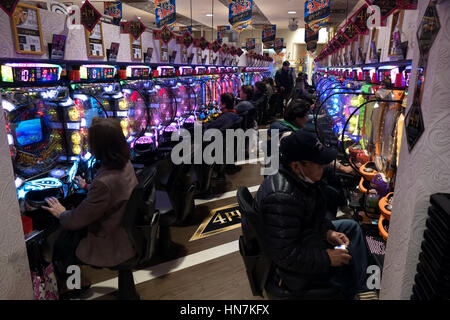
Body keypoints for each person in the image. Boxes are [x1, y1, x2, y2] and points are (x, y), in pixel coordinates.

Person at [254, 130, 377, 299]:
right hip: (292, 267)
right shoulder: (281, 198)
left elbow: (313, 216)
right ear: (297, 166)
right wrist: (327, 258)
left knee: (351, 227)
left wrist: (328, 232)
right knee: (343, 272)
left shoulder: (301, 180)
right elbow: (285, 255)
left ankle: (363, 289)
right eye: (319, 165)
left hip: (306, 236)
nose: (323, 168)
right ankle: (349, 289)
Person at [42, 117, 138, 295]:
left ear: (99, 147)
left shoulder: (104, 183)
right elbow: (112, 195)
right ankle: (76, 282)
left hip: (111, 239)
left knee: (63, 243)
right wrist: (87, 187)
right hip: (125, 230)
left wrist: (61, 212)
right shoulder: (125, 163)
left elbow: (76, 220)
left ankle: (74, 286)